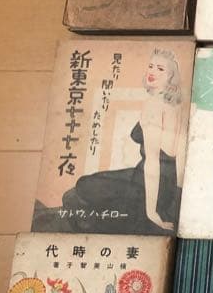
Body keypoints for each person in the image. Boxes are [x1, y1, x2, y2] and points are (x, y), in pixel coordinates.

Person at [36, 48, 184, 235]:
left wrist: (152, 213)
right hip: (164, 183)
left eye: (160, 69)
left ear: (171, 76)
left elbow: (153, 163)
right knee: (90, 184)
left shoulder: (153, 106)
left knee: (84, 185)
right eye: (151, 66)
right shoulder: (173, 104)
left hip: (148, 185)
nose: (152, 72)